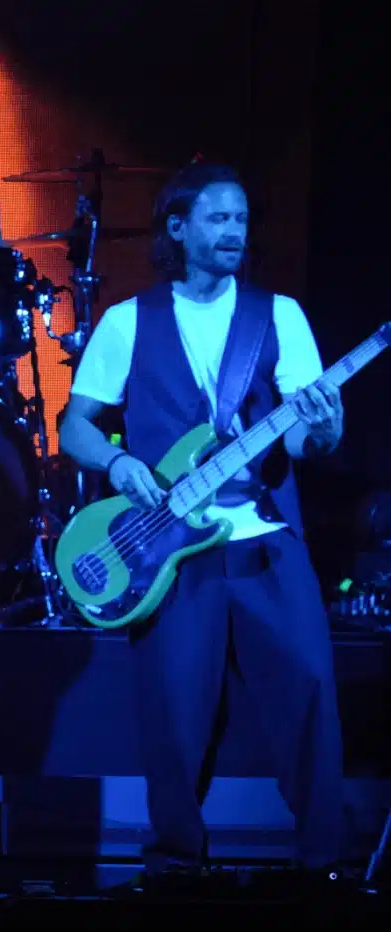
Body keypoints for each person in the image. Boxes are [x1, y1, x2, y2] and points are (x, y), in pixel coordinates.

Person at [57, 162, 364, 889]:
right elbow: (75, 426)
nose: (235, 231)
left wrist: (324, 430)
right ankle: (175, 874)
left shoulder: (278, 315)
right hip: (167, 552)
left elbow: (302, 440)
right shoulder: (127, 322)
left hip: (263, 541)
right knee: (174, 720)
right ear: (178, 227)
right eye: (219, 218)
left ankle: (327, 871)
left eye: (242, 219)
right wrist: (118, 462)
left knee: (310, 697)